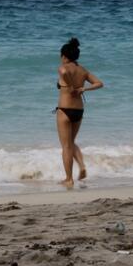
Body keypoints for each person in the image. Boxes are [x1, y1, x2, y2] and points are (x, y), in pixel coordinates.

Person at [55, 38, 103, 188]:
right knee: (71, 142)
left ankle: (69, 179)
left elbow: (63, 71)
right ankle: (81, 166)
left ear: (64, 56)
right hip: (78, 110)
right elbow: (99, 83)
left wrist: (69, 83)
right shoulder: (82, 70)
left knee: (66, 146)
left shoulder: (64, 68)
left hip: (64, 110)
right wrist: (83, 88)